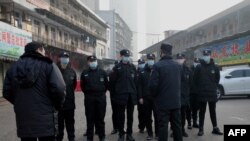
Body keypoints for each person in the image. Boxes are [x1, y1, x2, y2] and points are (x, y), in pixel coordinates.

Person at [3, 41, 66, 141]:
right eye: (43, 50)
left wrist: (19, 103)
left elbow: (6, 92)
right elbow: (60, 88)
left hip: (23, 118)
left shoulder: (13, 68)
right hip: (46, 119)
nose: (45, 52)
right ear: (39, 50)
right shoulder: (48, 65)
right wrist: (57, 105)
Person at [149, 43, 183, 141]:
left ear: (161, 52)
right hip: (176, 102)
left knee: (163, 126)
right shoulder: (178, 66)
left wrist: (154, 96)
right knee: (177, 126)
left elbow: (152, 85)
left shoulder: (157, 66)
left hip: (163, 103)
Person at [194, 49, 223, 136]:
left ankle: (215, 128)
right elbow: (195, 80)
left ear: (210, 55)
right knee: (202, 112)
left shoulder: (215, 67)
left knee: (212, 111)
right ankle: (201, 129)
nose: (206, 56)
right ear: (203, 56)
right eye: (205, 55)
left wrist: (213, 87)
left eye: (207, 55)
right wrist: (199, 90)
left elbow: (217, 79)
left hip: (211, 93)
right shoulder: (199, 67)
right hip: (202, 94)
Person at [110, 49, 137, 141]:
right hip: (120, 96)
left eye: (128, 56)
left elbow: (136, 83)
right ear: (121, 56)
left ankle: (129, 134)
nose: (127, 57)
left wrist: (135, 95)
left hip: (131, 96)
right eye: (125, 56)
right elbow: (112, 83)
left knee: (130, 117)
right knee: (120, 116)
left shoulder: (133, 67)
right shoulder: (116, 68)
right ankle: (121, 134)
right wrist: (114, 96)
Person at [80, 55, 109, 141]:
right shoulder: (84, 73)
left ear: (96, 62)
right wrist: (89, 93)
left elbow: (106, 85)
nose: (93, 62)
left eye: (94, 61)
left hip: (101, 98)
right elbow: (82, 86)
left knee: (100, 118)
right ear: (88, 62)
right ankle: (89, 138)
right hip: (89, 98)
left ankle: (102, 136)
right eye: (91, 61)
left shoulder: (102, 72)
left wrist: (100, 92)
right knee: (90, 118)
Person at [56, 52, 77, 141]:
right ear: (59, 58)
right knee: (59, 126)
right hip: (58, 105)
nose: (65, 59)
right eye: (63, 57)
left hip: (69, 104)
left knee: (70, 124)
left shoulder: (72, 72)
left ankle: (71, 138)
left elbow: (74, 85)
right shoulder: (55, 70)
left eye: (66, 57)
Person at [137, 54, 158, 140]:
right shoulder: (142, 71)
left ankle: (157, 134)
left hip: (156, 98)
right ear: (147, 60)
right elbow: (139, 86)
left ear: (154, 60)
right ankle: (150, 133)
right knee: (147, 116)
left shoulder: (158, 70)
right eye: (149, 59)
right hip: (146, 98)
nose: (150, 60)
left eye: (152, 59)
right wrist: (140, 97)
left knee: (157, 116)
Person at [176, 53, 192, 137]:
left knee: (183, 115)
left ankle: (182, 130)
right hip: (175, 96)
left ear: (184, 59)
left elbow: (191, 83)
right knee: (175, 116)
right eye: (178, 58)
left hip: (184, 96)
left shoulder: (188, 70)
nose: (180, 60)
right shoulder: (173, 69)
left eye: (181, 58)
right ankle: (175, 130)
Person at [186, 58, 200, 129]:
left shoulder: (200, 70)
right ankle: (189, 123)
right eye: (195, 62)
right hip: (190, 93)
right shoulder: (189, 70)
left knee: (196, 109)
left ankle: (194, 122)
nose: (196, 63)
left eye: (198, 62)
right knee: (189, 109)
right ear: (193, 62)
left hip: (197, 93)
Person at [109, 61, 119, 134]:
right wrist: (113, 95)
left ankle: (120, 127)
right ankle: (115, 128)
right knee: (115, 112)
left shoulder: (121, 74)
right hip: (114, 96)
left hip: (121, 96)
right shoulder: (111, 74)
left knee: (120, 113)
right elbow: (110, 86)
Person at [137, 58, 146, 133]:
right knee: (141, 112)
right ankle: (141, 127)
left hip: (147, 95)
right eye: (140, 63)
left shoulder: (148, 70)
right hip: (139, 95)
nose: (141, 64)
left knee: (148, 112)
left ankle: (148, 125)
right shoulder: (135, 71)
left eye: (142, 63)